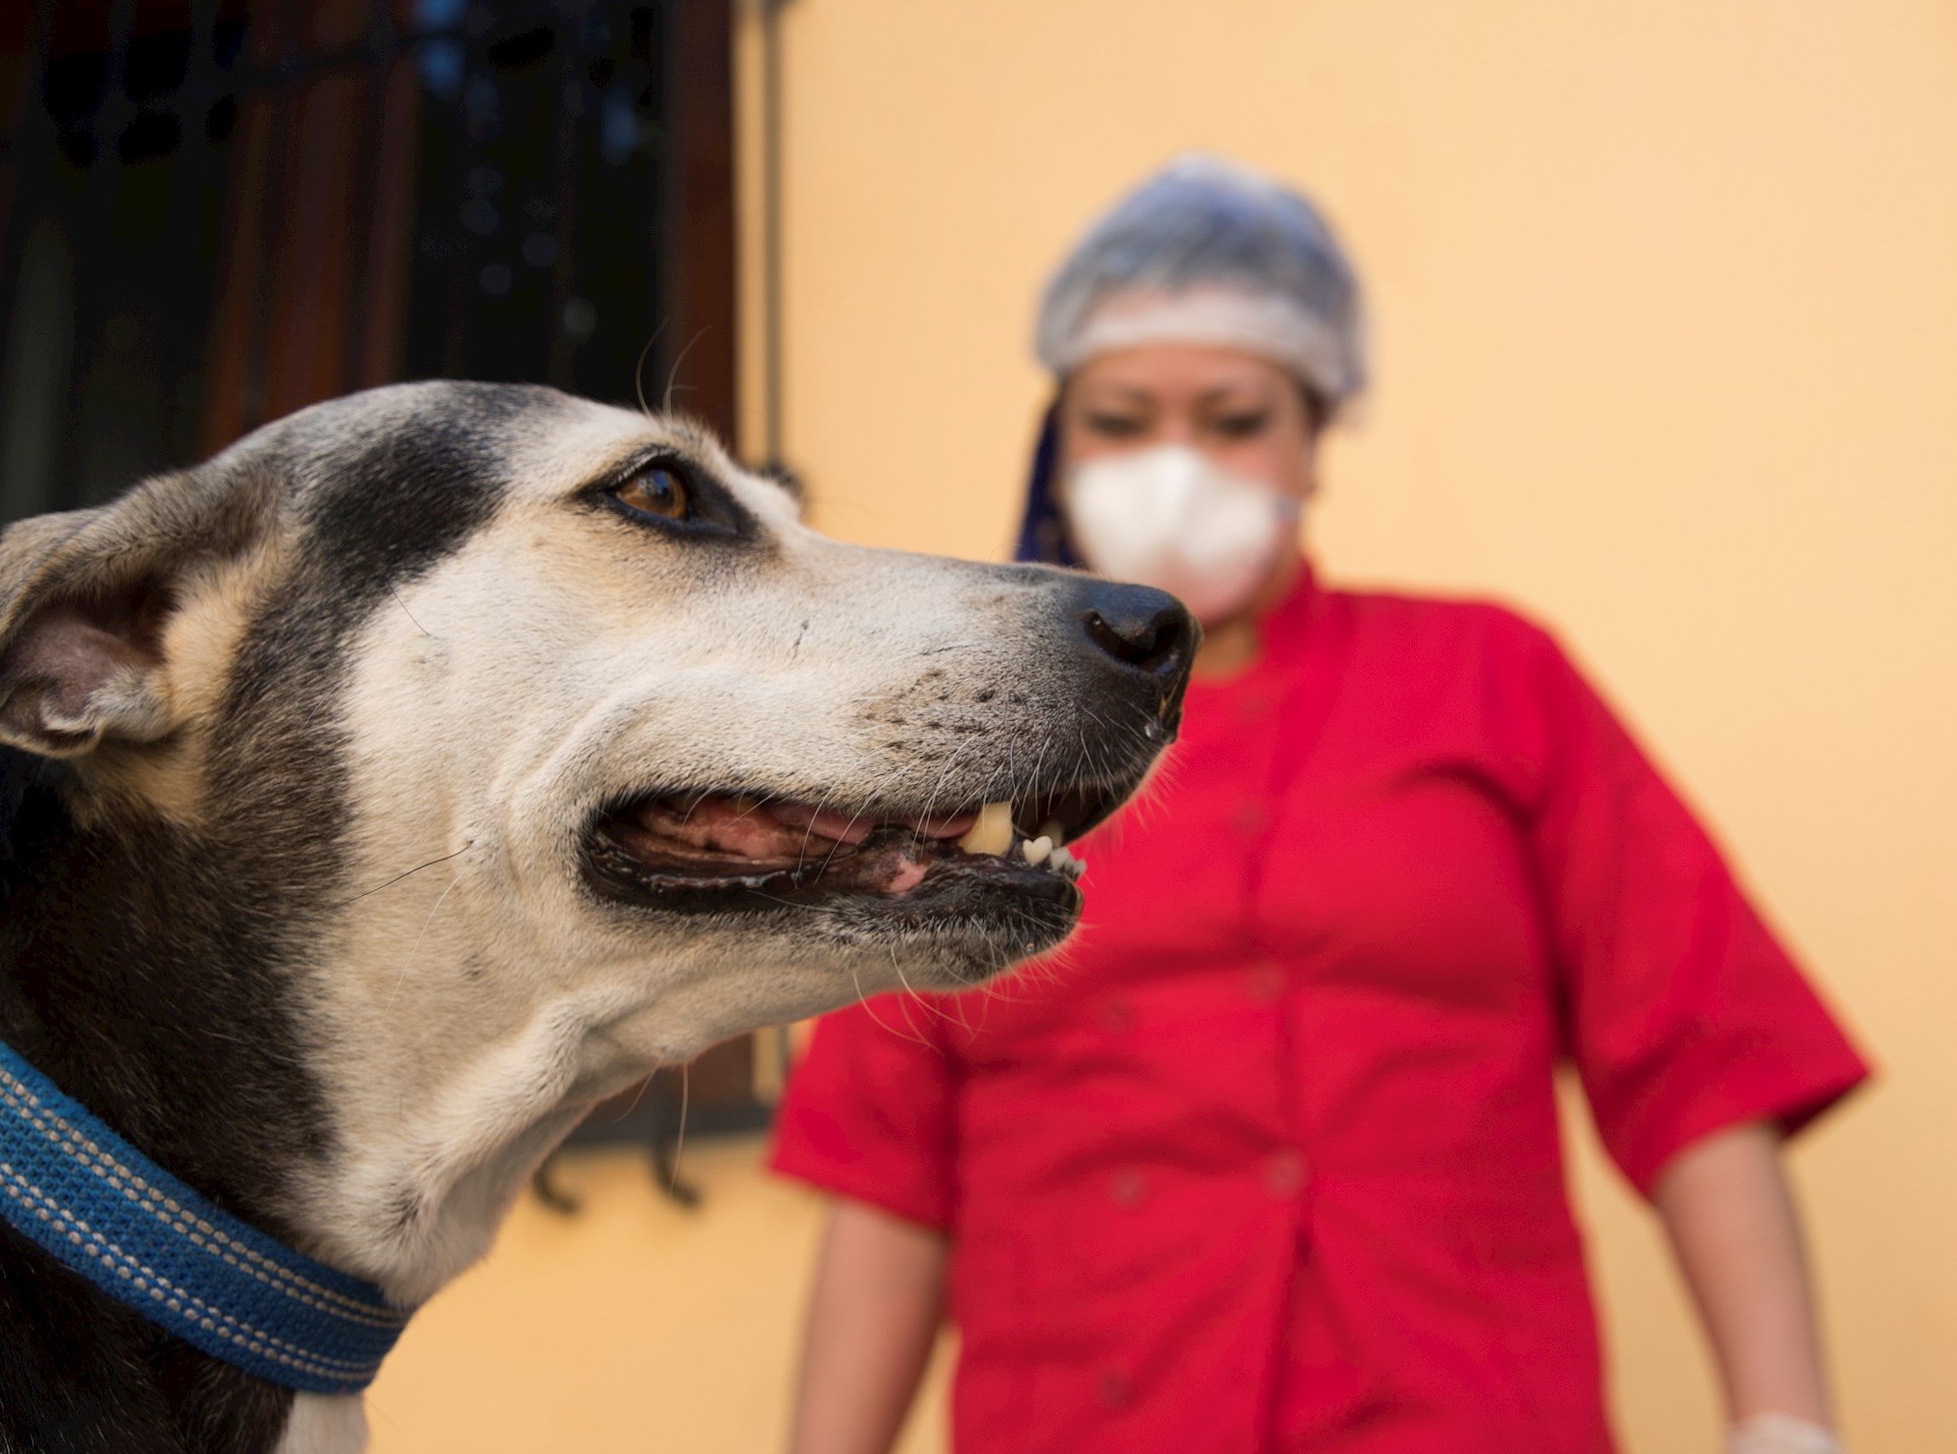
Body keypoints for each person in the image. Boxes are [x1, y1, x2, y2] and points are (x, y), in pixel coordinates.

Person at [769, 156, 1868, 1454]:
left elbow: (1702, 1065)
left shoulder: (1493, 682)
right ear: (1059, 440)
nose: (1176, 466)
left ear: (1314, 441)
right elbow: (889, 1180)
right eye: (1122, 418)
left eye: (1234, 418)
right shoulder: (976, 758)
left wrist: (1784, 1422)